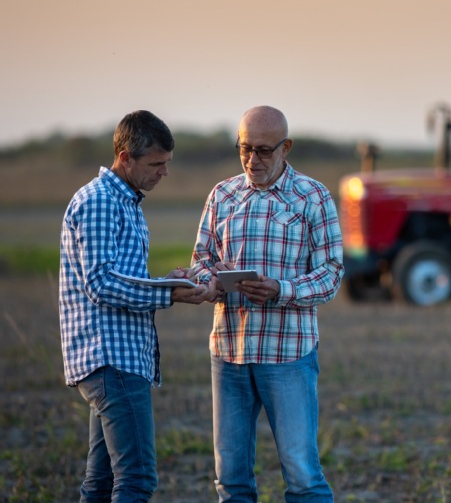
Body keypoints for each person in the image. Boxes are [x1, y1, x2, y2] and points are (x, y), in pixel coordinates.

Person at [59, 110, 216, 502]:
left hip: (118, 358)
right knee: (137, 479)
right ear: (125, 157)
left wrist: (169, 282)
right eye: (156, 164)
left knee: (102, 484)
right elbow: (101, 283)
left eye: (168, 163)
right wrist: (168, 294)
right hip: (110, 359)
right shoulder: (99, 202)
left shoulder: (125, 202)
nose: (164, 173)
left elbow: (120, 278)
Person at [191, 105, 344, 502]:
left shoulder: (313, 197)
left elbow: (331, 274)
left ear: (286, 147)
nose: (252, 159)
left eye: (263, 150)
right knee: (231, 479)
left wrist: (282, 289)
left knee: (302, 475)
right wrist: (211, 279)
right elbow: (200, 262)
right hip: (229, 352)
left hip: (288, 354)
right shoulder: (221, 195)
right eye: (244, 149)